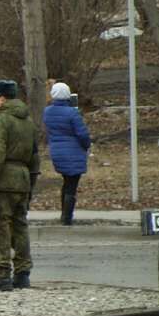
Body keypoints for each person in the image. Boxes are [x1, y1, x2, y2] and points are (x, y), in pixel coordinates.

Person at [0, 77, 38, 290]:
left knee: (1, 227)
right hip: (22, 180)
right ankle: (23, 272)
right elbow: (34, 157)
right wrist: (31, 183)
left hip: (3, 180)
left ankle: (2, 273)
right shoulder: (28, 122)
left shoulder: (0, 122)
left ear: (1, 99)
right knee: (20, 226)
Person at [42, 80, 91, 225]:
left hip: (57, 152)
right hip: (73, 153)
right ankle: (67, 217)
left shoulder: (47, 112)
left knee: (66, 182)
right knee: (72, 185)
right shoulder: (72, 113)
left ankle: (64, 213)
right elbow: (82, 134)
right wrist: (87, 146)